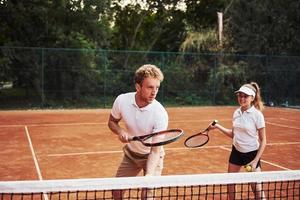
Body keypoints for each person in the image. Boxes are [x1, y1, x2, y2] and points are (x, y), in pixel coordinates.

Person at [108, 64, 168, 200]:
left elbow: (155, 150)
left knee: (147, 195)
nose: (154, 92)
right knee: (116, 191)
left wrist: (149, 175)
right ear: (138, 87)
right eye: (150, 87)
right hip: (131, 155)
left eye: (157, 87)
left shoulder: (160, 113)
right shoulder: (122, 100)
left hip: (152, 156)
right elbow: (111, 122)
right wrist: (120, 131)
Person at [209, 82, 266, 200]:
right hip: (236, 152)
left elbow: (263, 140)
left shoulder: (257, 115)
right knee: (230, 181)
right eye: (240, 95)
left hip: (251, 154)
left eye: (245, 96)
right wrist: (218, 127)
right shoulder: (236, 113)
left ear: (252, 98)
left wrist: (255, 161)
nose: (242, 98)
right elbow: (233, 134)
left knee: (257, 190)